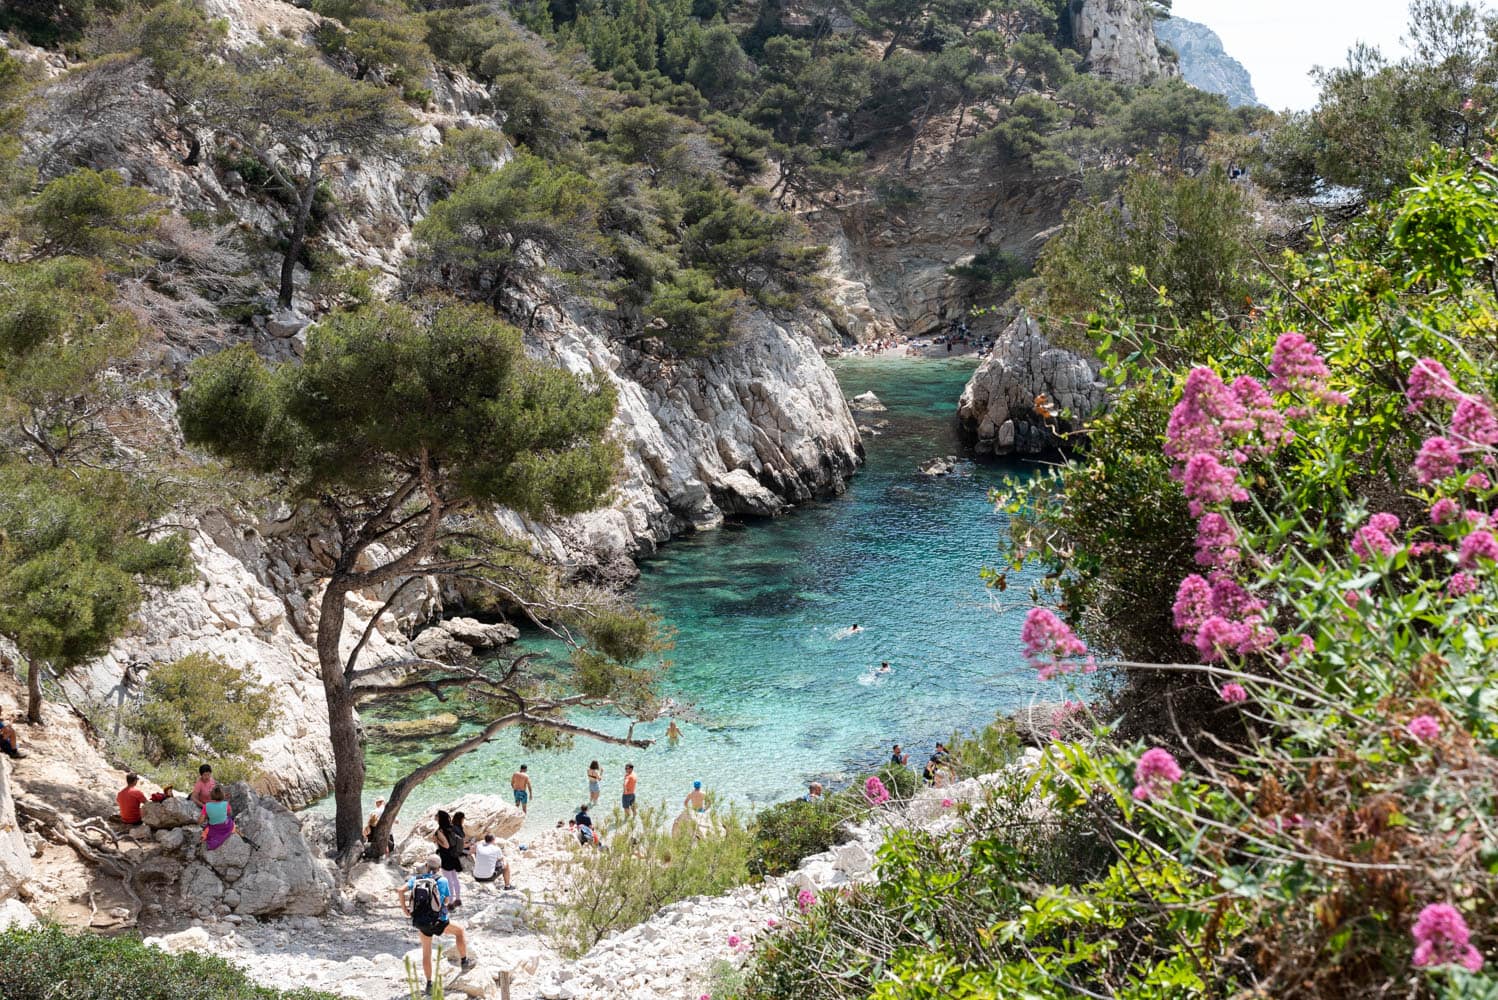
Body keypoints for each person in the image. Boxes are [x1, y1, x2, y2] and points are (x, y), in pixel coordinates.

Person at [399, 854, 475, 996]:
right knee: (459, 931)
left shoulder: (416, 879)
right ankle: (464, 961)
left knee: (426, 952)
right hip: (439, 920)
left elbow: (400, 890)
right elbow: (446, 900)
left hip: (422, 922)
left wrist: (405, 910)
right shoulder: (443, 880)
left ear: (426, 866)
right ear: (439, 868)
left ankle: (429, 985)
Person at [433, 809, 464, 910]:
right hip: (454, 855)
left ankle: (450, 903)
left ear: (440, 818)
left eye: (437, 815)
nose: (435, 816)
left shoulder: (440, 831)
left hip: (446, 856)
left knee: (448, 880)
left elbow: (446, 845)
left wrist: (437, 840)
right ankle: (458, 899)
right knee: (455, 878)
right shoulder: (451, 828)